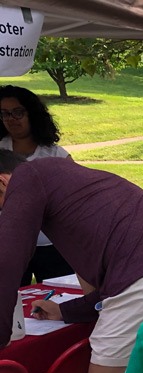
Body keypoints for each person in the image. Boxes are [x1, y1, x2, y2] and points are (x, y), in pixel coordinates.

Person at [0, 152, 143, 373]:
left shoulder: (27, 177)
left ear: (2, 182)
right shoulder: (66, 177)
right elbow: (112, 271)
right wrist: (67, 311)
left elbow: (7, 261)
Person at [0, 85, 74, 284]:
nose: (11, 119)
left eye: (17, 112)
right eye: (4, 114)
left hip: (52, 244)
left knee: (59, 298)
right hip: (8, 244)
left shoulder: (56, 154)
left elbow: (74, 199)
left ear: (32, 113)